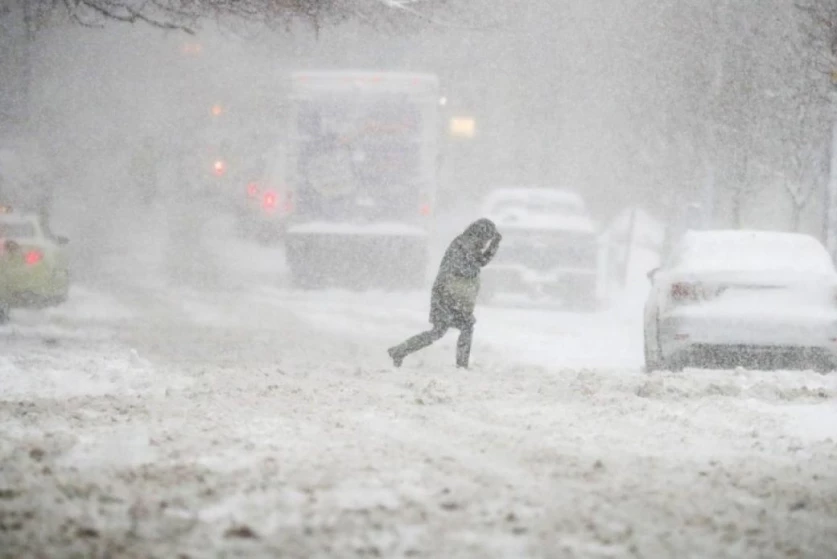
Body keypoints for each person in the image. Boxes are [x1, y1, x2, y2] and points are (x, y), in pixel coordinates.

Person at [388, 218, 502, 369]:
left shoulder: (467, 243)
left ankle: (400, 351)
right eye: (487, 239)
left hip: (452, 295)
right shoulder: (464, 245)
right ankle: (460, 365)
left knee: (449, 329)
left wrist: (494, 246)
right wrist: (491, 248)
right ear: (481, 234)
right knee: (447, 329)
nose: (486, 242)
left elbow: (479, 262)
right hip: (446, 295)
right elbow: (472, 266)